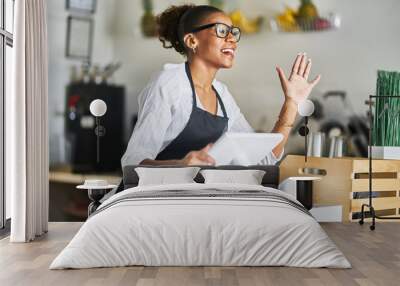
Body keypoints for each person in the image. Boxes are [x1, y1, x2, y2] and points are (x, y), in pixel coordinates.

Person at [121, 4, 321, 167]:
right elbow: (132, 164)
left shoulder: (222, 95)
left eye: (233, 32)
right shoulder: (169, 84)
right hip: (147, 203)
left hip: (188, 201)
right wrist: (181, 165)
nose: (232, 39)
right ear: (192, 41)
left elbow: (262, 159)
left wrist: (291, 104)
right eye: (221, 31)